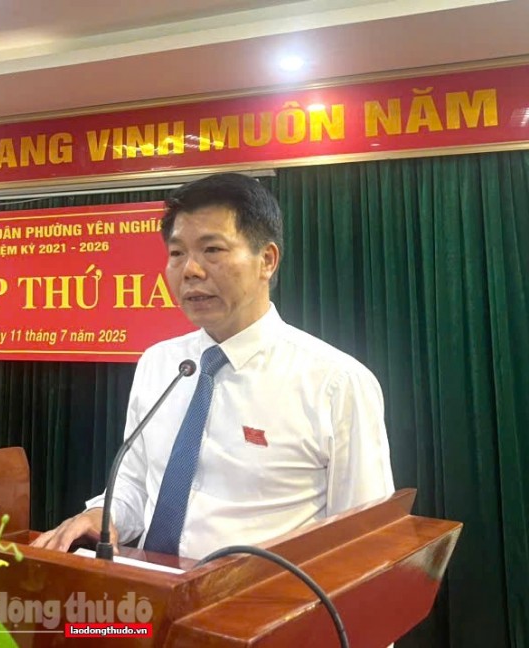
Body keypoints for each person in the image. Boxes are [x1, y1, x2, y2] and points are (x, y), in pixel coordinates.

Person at [31, 173, 394, 559]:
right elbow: (135, 483)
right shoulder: (160, 363)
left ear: (267, 260)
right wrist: (102, 515)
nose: (190, 270)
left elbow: (363, 539)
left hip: (262, 594)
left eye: (212, 250)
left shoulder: (335, 382)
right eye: (176, 253)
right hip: (150, 588)